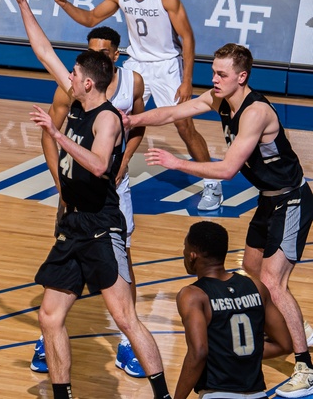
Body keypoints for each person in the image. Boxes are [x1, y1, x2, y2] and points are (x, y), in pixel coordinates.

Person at [12, 0, 173, 399]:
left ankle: (162, 393)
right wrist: (24, 4)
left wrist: (60, 135)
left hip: (103, 225)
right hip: (73, 222)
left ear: (88, 82)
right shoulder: (81, 95)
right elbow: (43, 50)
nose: (69, 75)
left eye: (76, 73)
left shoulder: (106, 119)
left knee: (125, 318)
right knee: (50, 316)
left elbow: (101, 166)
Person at [126, 43, 313, 398]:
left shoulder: (255, 112)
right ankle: (296, 325)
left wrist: (176, 162)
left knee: (273, 283)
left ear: (241, 77)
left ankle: (305, 366)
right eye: (212, 72)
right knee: (254, 273)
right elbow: (174, 112)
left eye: (221, 74)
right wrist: (134, 119)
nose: (213, 80)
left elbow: (227, 170)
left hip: (291, 200)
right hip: (268, 200)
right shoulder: (218, 99)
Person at [51, 0, 218, 210]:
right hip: (137, 63)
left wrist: (187, 80)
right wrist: (65, 4)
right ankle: (109, 168)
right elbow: (93, 18)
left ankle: (213, 184)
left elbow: (187, 37)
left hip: (166, 65)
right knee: (113, 115)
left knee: (184, 126)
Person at [29, 25, 146, 378]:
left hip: (111, 191)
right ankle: (46, 333)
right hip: (77, 189)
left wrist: (123, 162)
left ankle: (129, 342)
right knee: (64, 255)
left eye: (103, 50)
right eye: (90, 48)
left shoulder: (131, 84)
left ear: (115, 55)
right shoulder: (75, 88)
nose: (95, 54)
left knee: (122, 257)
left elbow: (138, 126)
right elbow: (45, 53)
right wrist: (58, 182)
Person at [173, 220, 293, 399]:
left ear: (193, 255)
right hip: (257, 394)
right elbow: (285, 344)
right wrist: (243, 351)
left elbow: (198, 353)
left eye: (185, 247)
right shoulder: (256, 287)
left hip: (217, 394)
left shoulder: (193, 296)